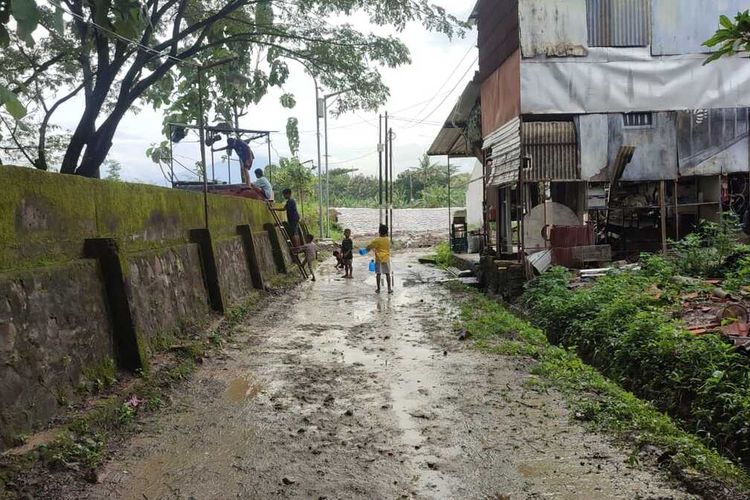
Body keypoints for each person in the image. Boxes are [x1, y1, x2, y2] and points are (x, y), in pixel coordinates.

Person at [366, 224, 392, 294]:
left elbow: (370, 246)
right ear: (386, 232)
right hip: (386, 258)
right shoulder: (387, 240)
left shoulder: (377, 240)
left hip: (379, 259)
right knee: (387, 273)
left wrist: (367, 249)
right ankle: (389, 289)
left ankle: (378, 289)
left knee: (378, 274)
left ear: (379, 232)